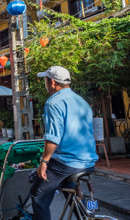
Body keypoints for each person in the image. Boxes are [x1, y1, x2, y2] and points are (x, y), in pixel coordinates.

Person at [31, 66, 98, 220]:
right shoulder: (82, 102)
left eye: (46, 81)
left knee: (38, 195)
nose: (46, 84)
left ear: (53, 82)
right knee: (73, 191)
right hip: (88, 161)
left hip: (66, 162)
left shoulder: (53, 103)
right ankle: (88, 214)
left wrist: (44, 161)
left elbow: (53, 138)